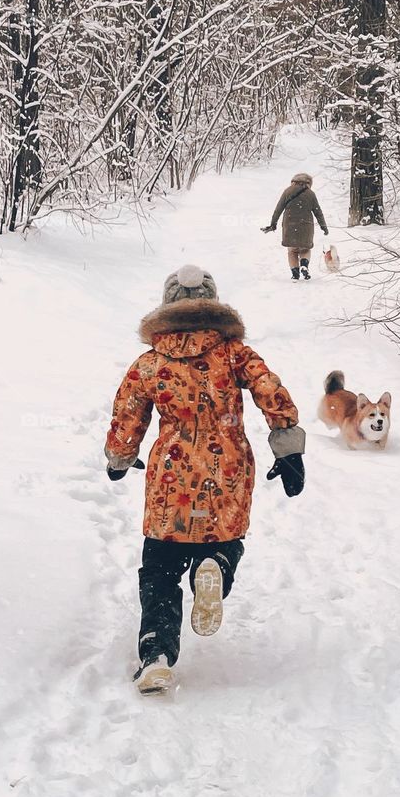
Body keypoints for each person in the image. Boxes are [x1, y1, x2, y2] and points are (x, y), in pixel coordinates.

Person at [104, 264, 305, 694]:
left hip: (170, 478)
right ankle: (215, 565)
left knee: (158, 568)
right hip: (227, 471)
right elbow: (270, 389)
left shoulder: (149, 363)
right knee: (223, 539)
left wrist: (120, 457)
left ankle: (156, 654)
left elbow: (128, 412)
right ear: (212, 304)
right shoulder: (234, 353)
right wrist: (288, 447)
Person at [262, 171, 329, 280]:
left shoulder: (287, 191)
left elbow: (278, 209)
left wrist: (273, 224)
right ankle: (304, 264)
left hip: (290, 225)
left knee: (292, 251)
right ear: (308, 182)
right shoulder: (310, 194)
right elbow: (318, 211)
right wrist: (323, 226)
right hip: (306, 225)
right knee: (305, 249)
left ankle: (295, 273)